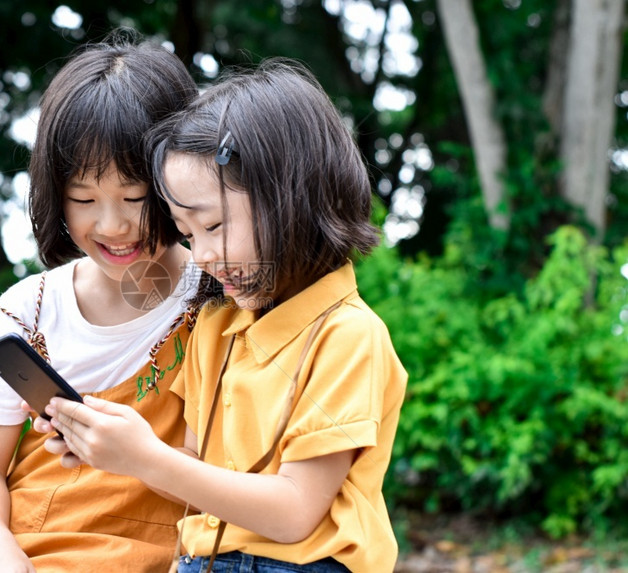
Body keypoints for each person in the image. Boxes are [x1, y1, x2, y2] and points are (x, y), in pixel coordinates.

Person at [34, 60, 408, 572]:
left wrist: (146, 456)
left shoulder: (346, 336)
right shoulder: (215, 327)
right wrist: (113, 445)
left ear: (291, 200)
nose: (202, 256)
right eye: (188, 235)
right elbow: (194, 470)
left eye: (213, 226)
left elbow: (295, 513)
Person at [0, 32, 209, 573]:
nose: (112, 225)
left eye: (135, 197)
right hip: (17, 536)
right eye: (84, 199)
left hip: (143, 545)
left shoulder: (218, 298)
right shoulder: (31, 308)